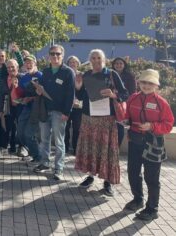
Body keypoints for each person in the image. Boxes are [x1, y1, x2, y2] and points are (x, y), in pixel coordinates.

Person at [74, 49, 129, 196]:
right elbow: (80, 96)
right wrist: (78, 86)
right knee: (91, 148)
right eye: (93, 58)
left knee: (106, 151)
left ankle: (107, 182)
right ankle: (90, 177)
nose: (96, 60)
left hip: (107, 119)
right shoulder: (85, 75)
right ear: (90, 60)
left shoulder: (111, 74)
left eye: (99, 57)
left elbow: (125, 94)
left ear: (103, 59)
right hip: (89, 118)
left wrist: (113, 94)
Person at [123, 69, 174, 221]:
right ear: (139, 83)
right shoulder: (133, 98)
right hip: (135, 141)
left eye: (150, 83)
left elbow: (168, 124)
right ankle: (138, 199)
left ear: (156, 86)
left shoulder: (161, 103)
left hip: (153, 143)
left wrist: (152, 126)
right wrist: (125, 119)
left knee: (151, 177)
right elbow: (126, 116)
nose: (146, 85)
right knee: (133, 173)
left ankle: (152, 208)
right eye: (144, 82)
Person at [33, 45, 75, 181]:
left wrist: (66, 112)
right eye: (52, 54)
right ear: (48, 56)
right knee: (44, 139)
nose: (55, 56)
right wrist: (38, 90)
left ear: (62, 55)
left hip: (60, 112)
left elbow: (70, 95)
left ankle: (59, 168)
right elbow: (42, 89)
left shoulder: (68, 72)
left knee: (59, 142)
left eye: (58, 54)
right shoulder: (45, 71)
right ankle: (45, 163)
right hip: (45, 109)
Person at [16, 55, 42, 163]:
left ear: (35, 63)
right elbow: (21, 93)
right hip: (26, 108)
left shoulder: (40, 75)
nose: (28, 64)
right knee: (20, 133)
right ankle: (31, 152)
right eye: (26, 62)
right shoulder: (24, 78)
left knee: (29, 134)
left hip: (36, 109)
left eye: (30, 62)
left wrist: (30, 98)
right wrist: (19, 96)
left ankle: (37, 157)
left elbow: (43, 94)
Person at [0, 59, 23, 156]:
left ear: (17, 67)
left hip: (20, 107)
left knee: (19, 128)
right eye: (8, 67)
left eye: (12, 67)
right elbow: (1, 96)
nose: (10, 69)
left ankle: (18, 147)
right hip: (8, 106)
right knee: (7, 127)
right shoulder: (4, 79)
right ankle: (5, 148)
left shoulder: (22, 78)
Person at [112, 57, 137, 146]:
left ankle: (117, 147)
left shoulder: (129, 76)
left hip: (123, 104)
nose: (118, 65)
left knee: (120, 126)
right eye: (116, 63)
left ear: (124, 65)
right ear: (113, 65)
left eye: (120, 63)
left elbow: (132, 91)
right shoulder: (109, 74)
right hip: (110, 104)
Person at [65, 55, 83, 154]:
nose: (73, 64)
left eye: (75, 62)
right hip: (67, 105)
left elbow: (85, 91)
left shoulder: (82, 75)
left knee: (77, 128)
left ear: (78, 63)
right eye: (71, 62)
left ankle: (76, 148)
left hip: (78, 106)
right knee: (65, 128)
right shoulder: (65, 74)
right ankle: (65, 147)